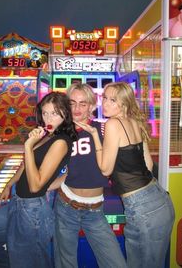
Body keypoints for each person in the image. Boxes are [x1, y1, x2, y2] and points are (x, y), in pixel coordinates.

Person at [0, 91, 77, 268]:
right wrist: (9, 185)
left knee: (28, 262)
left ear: (65, 114)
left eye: (54, 113)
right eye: (45, 113)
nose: (48, 118)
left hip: (32, 210)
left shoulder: (61, 142)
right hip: (17, 202)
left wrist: (27, 145)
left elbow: (36, 185)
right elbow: (26, 165)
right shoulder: (49, 136)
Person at [76, 81, 175, 268]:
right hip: (159, 199)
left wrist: (96, 137)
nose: (105, 103)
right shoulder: (136, 122)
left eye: (112, 100)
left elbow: (105, 169)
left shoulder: (113, 124)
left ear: (124, 103)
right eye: (105, 97)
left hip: (141, 207)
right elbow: (148, 164)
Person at [52, 83, 127, 268]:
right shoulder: (59, 132)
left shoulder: (104, 129)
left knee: (115, 263)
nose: (77, 109)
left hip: (95, 210)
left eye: (83, 103)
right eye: (72, 103)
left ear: (92, 106)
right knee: (65, 263)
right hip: (65, 206)